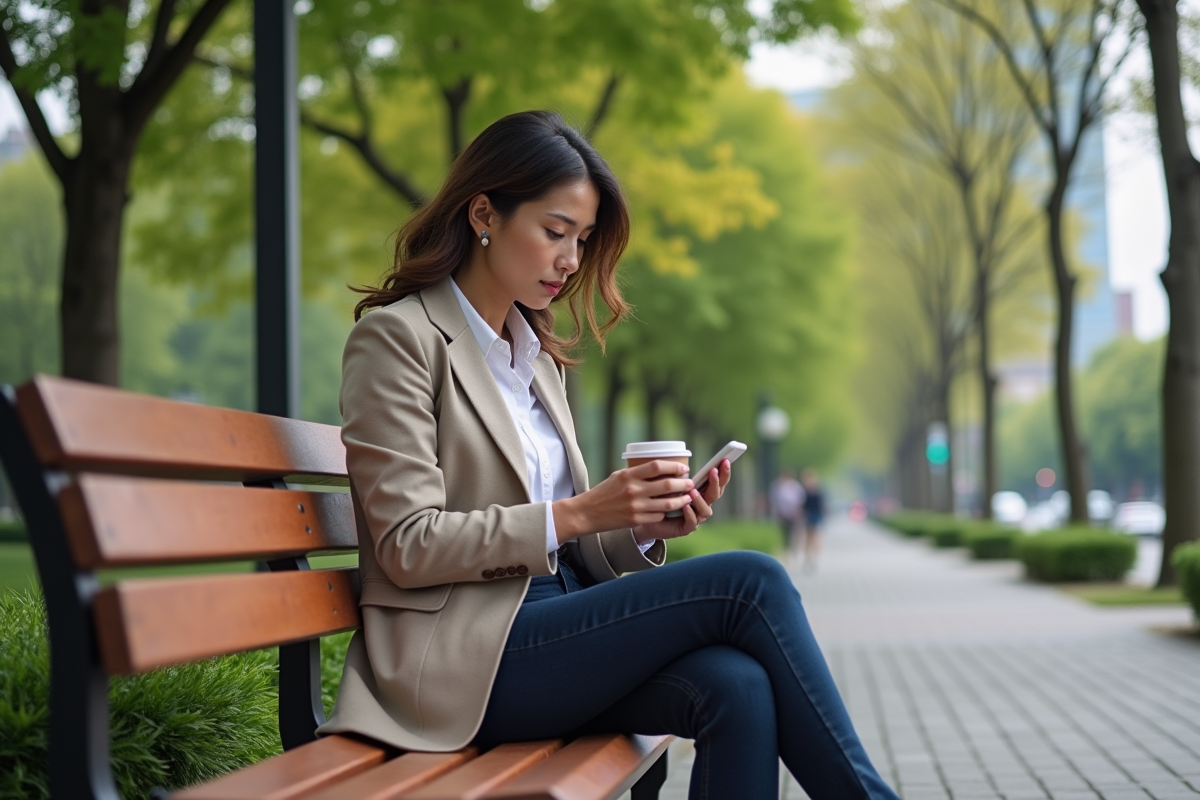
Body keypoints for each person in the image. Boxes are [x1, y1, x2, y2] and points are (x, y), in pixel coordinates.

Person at [319, 110, 901, 800]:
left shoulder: (537, 358)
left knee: (738, 686)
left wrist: (640, 526)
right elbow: (407, 546)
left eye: (583, 239)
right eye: (555, 232)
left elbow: (573, 546)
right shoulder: (398, 341)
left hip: (554, 627)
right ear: (484, 213)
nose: (571, 261)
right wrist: (576, 513)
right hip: (463, 659)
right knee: (752, 581)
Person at [769, 469, 805, 561]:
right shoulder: (777, 486)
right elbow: (774, 500)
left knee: (795, 534)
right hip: (782, 514)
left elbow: (800, 500)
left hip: (794, 514)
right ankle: (786, 553)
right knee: (784, 534)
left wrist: (797, 512)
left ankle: (794, 552)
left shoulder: (795, 486)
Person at [800, 468, 826, 571]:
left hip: (815, 515)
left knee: (813, 536)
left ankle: (814, 557)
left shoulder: (816, 491)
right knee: (808, 537)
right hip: (808, 516)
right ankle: (808, 557)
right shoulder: (805, 492)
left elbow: (821, 505)